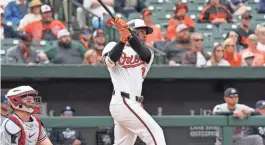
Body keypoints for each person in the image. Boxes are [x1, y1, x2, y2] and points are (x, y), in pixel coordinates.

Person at [102, 18, 166, 145]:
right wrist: (122, 40)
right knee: (156, 134)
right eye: (141, 32)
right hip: (122, 100)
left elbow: (143, 52)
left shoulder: (148, 52)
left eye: (144, 32)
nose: (144, 35)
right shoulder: (112, 46)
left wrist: (130, 35)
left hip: (134, 103)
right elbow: (110, 61)